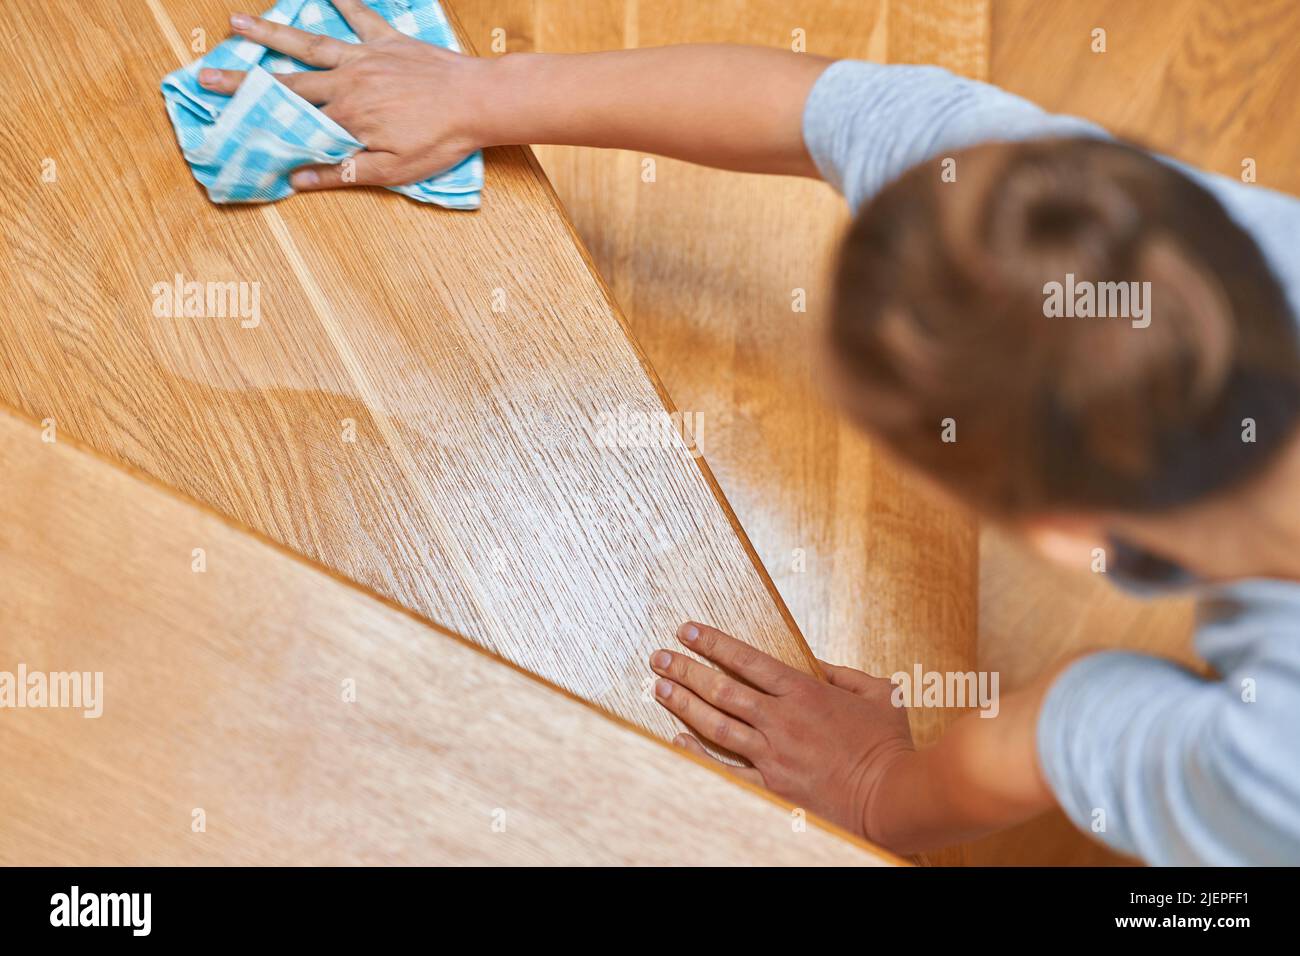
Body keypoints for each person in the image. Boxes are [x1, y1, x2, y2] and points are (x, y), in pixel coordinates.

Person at [200, 2, 1300, 864]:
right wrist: (479, 94)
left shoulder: (1271, 765)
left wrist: (872, 785)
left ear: (1063, 533)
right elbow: (827, 113)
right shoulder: (1194, 250)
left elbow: (1041, 738)